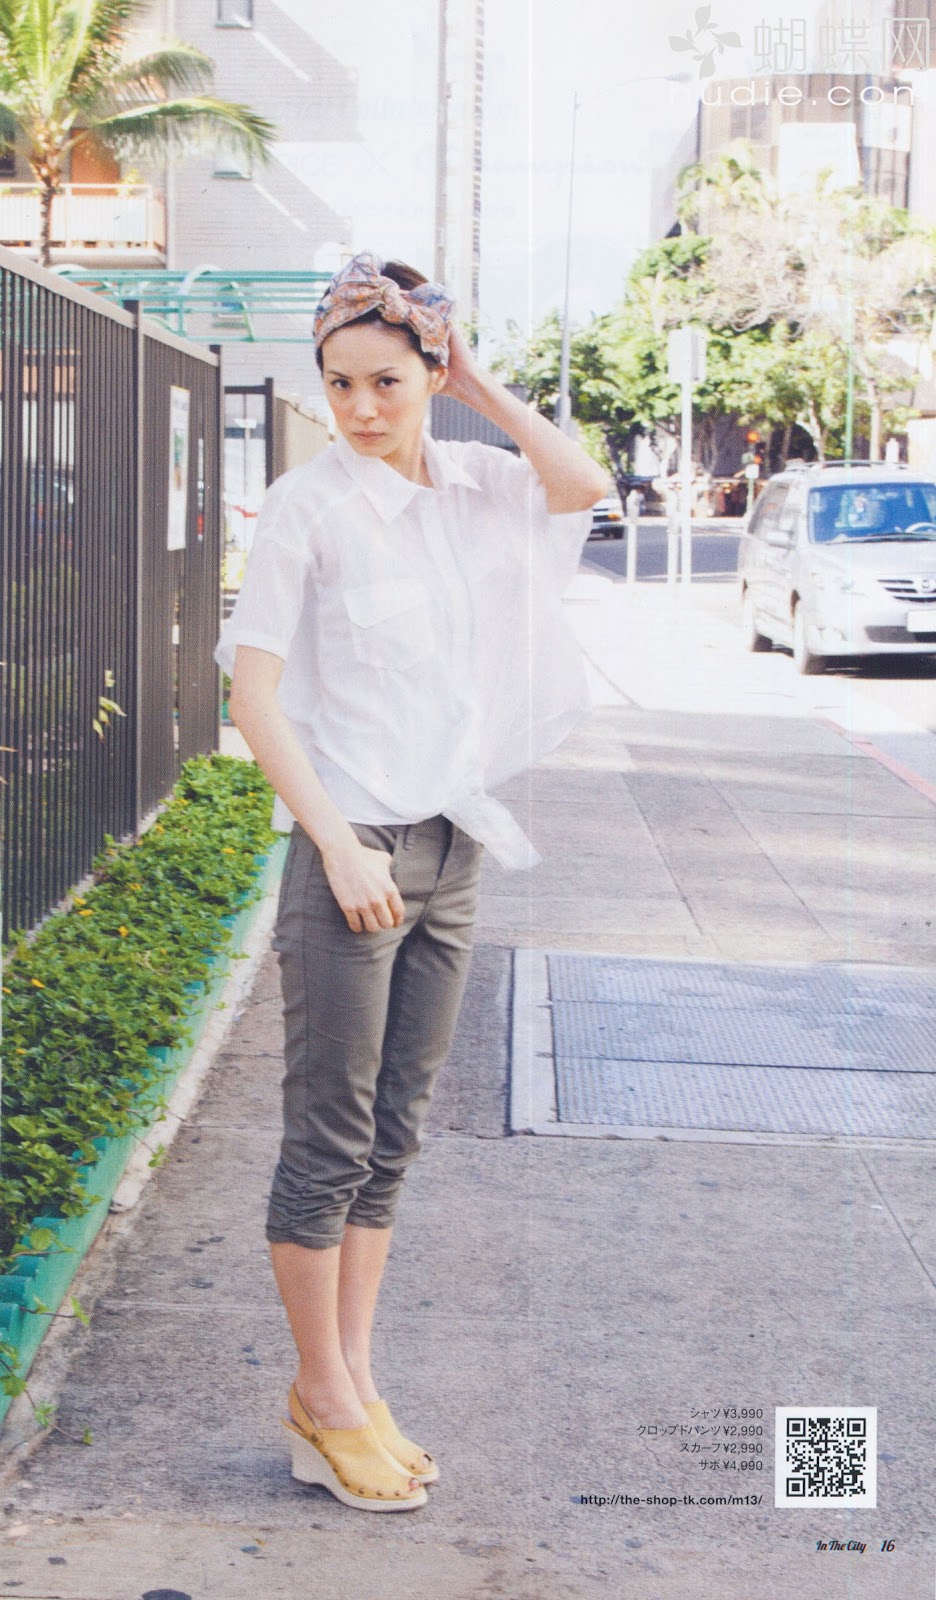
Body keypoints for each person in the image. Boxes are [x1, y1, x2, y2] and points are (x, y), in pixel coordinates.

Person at [215, 252, 607, 1513]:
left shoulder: (478, 486)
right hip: (356, 850)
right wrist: (334, 843)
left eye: (386, 380)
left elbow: (583, 484)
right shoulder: (308, 506)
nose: (362, 407)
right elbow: (255, 696)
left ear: (430, 371)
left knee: (395, 1131)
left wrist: (475, 383)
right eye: (340, 383)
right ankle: (321, 1397)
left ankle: (354, 1383)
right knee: (328, 1135)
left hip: (452, 845)